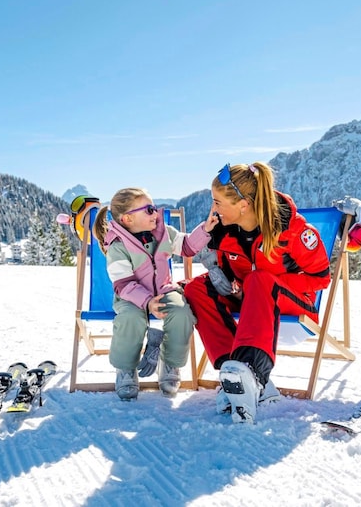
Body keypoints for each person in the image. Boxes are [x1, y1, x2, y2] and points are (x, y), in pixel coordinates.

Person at [184, 162, 332, 424]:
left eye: (218, 202)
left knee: (260, 279)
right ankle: (235, 375)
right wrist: (230, 283)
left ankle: (252, 371)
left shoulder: (291, 230)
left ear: (243, 204)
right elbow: (226, 270)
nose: (213, 209)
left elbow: (320, 278)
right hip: (251, 299)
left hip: (294, 305)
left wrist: (259, 284)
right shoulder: (223, 230)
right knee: (197, 288)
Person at [93, 188, 218, 401]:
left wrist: (205, 229)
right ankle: (125, 368)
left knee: (181, 312)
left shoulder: (164, 232)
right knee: (130, 318)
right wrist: (147, 301)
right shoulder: (118, 245)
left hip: (163, 290)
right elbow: (123, 284)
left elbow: (187, 247)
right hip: (131, 296)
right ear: (128, 218)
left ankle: (170, 364)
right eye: (149, 210)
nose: (156, 214)